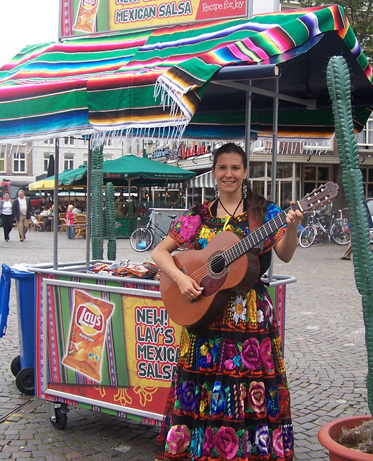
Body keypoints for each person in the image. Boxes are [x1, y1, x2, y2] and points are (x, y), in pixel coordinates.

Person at [152, 143, 303, 461]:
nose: (229, 174)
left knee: (248, 389)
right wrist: (181, 278)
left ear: (246, 172)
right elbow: (160, 252)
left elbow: (285, 255)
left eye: (236, 168)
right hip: (203, 314)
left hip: (248, 320)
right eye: (222, 168)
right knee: (204, 385)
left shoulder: (264, 213)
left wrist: (291, 226)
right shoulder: (198, 216)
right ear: (214, 173)